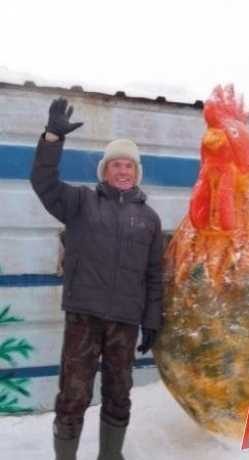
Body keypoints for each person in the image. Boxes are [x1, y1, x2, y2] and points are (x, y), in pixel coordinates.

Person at [30, 97, 163, 460]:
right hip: (84, 316)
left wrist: (151, 320)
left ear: (137, 173)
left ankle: (110, 455)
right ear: (104, 172)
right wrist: (52, 139)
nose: (123, 171)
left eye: (129, 166)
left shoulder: (150, 220)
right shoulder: (80, 202)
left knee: (119, 393)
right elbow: (42, 182)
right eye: (116, 165)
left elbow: (154, 275)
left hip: (125, 321)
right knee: (73, 394)